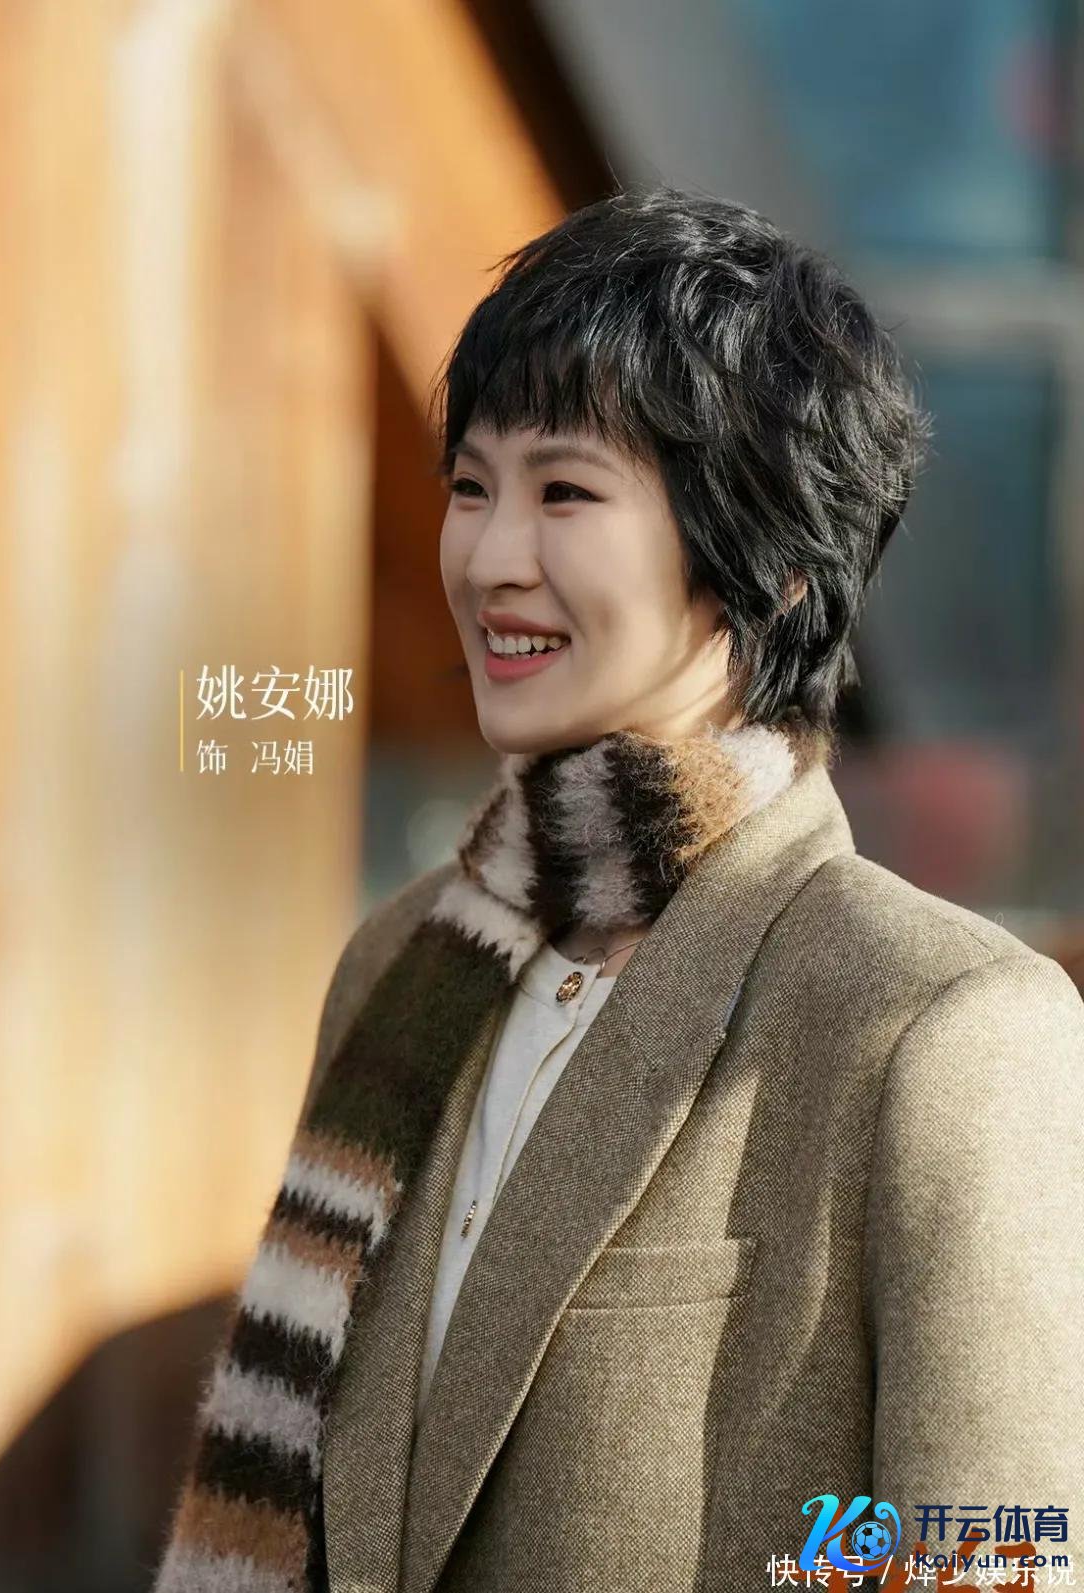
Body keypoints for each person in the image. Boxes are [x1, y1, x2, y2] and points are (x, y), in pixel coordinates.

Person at [152, 185, 1084, 1593]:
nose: (490, 558)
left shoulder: (938, 1023)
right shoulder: (397, 965)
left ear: (773, 569)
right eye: (474, 485)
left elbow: (988, 1562)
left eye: (566, 492)